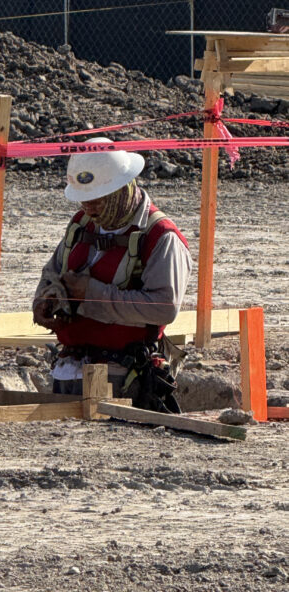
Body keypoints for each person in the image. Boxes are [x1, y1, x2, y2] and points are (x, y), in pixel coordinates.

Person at [33, 141, 191, 412]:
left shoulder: (160, 237)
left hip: (122, 379)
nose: (90, 209)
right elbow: (52, 271)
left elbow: (164, 308)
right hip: (67, 372)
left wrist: (91, 294)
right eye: (84, 201)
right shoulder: (80, 225)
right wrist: (44, 300)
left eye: (97, 201)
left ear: (120, 190)